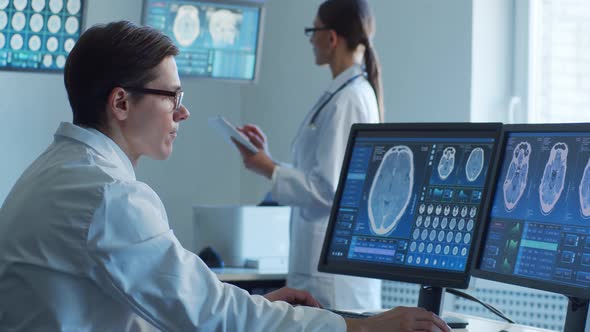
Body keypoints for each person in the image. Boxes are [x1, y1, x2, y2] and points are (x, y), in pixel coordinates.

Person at [0, 21, 449, 332]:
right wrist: (355, 327)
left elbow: (167, 304)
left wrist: (249, 308)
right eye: (172, 96)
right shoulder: (108, 197)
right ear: (120, 103)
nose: (183, 111)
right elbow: (210, 315)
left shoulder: (55, 171)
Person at [235, 0, 383, 310]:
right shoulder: (344, 94)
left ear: (331, 37)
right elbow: (325, 176)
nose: (310, 40)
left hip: (331, 280)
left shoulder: (349, 101)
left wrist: (271, 169)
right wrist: (268, 162)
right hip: (322, 270)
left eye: (312, 31)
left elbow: (330, 190)